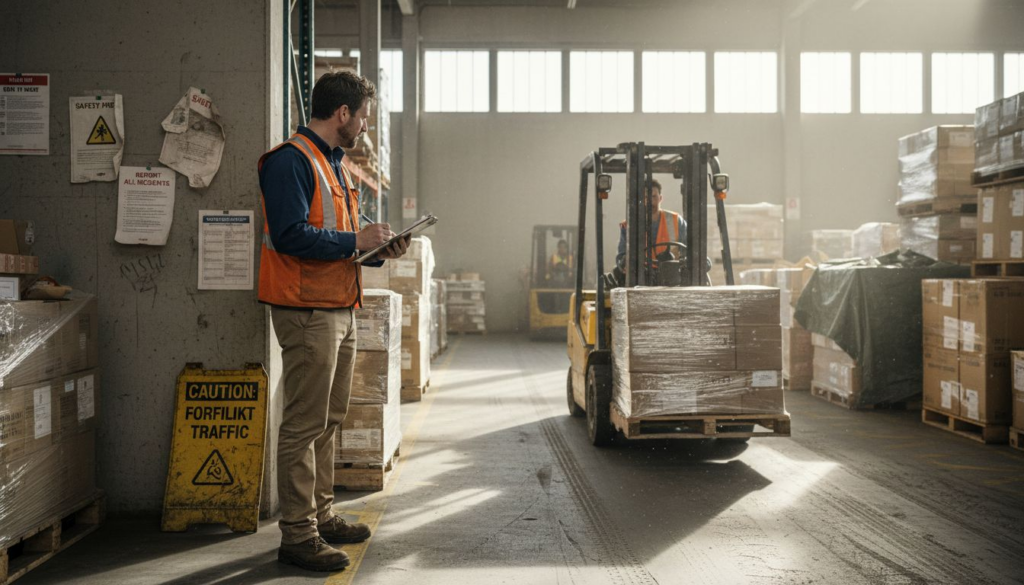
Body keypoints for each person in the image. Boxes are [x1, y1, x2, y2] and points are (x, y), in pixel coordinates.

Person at [258, 70, 408, 573]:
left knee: (330, 418)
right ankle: (298, 535)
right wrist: (354, 243)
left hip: (338, 304)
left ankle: (320, 515)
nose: (364, 127)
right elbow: (289, 236)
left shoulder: (335, 166)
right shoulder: (291, 162)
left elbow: (343, 243)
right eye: (363, 117)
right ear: (342, 114)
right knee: (303, 425)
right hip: (306, 311)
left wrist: (379, 249)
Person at [613, 178, 687, 273]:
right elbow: (622, 255)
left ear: (660, 198)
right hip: (640, 276)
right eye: (645, 197)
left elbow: (688, 247)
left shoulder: (676, 221)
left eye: (654, 196)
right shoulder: (629, 226)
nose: (649, 202)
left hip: (671, 275)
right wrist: (624, 262)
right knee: (617, 272)